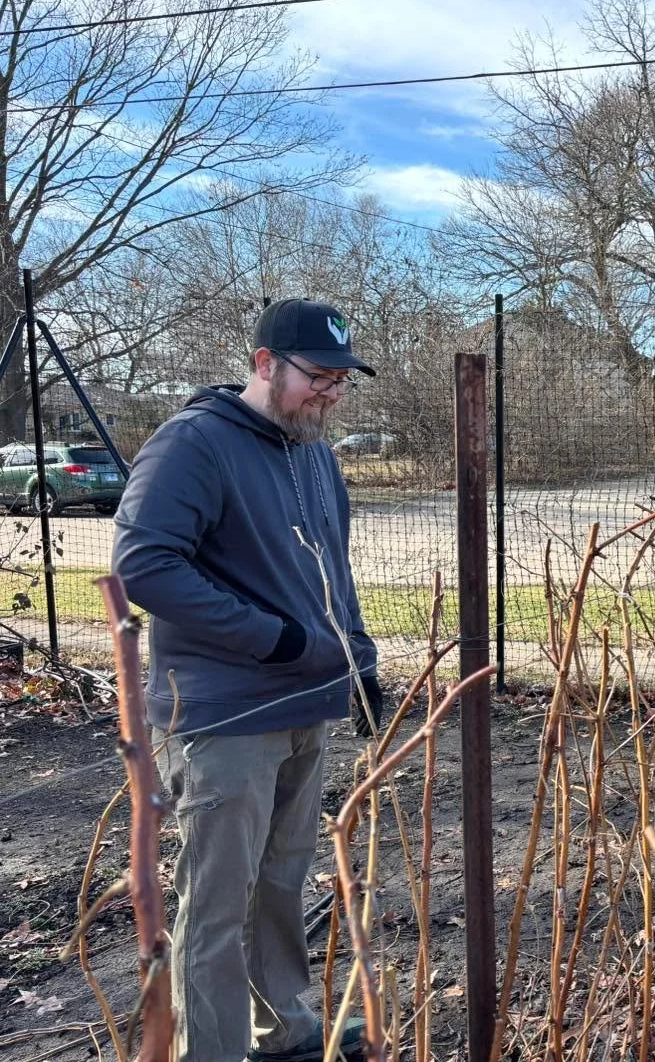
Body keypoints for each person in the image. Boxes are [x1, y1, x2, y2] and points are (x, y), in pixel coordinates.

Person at [112, 298, 387, 1062]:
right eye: (319, 377)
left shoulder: (313, 452)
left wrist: (356, 660)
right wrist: (271, 640)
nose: (331, 394)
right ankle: (213, 1051)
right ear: (264, 363)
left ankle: (283, 1031)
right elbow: (146, 566)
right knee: (218, 906)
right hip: (225, 717)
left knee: (281, 881)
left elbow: (331, 568)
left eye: (342, 380)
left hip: (308, 702)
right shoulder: (193, 444)